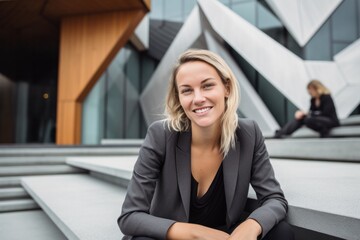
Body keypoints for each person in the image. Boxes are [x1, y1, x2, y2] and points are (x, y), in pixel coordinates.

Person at [118, 49, 294, 240]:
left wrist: (252, 225)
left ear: (226, 88)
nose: (198, 98)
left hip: (226, 237)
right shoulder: (161, 135)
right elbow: (130, 216)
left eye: (207, 86)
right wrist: (198, 235)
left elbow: (274, 199)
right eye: (187, 90)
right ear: (178, 98)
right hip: (177, 237)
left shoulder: (248, 133)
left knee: (281, 232)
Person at [274, 80, 340, 138]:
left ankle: (324, 131)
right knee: (301, 119)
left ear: (317, 88)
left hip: (330, 121)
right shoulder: (313, 100)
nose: (309, 92)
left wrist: (308, 114)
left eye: (310, 90)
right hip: (318, 120)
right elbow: (311, 111)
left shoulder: (326, 97)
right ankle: (282, 132)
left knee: (308, 119)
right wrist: (303, 114)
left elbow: (326, 113)